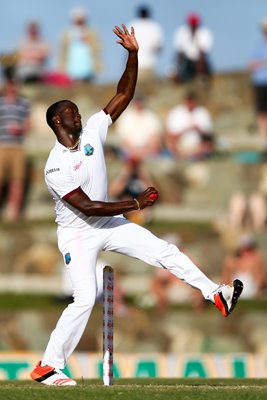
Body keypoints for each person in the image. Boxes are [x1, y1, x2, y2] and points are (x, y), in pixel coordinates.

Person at [30, 24, 243, 386]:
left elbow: (124, 94)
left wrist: (133, 53)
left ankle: (216, 294)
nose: (78, 114)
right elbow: (89, 207)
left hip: (108, 225)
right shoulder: (55, 166)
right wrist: (135, 202)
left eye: (78, 110)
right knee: (84, 299)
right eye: (70, 112)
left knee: (165, 250)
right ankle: (47, 366)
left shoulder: (94, 129)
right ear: (56, 121)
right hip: (78, 235)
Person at [0, 78, 31, 221]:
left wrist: (20, 129)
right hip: (2, 146)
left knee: (17, 182)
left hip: (18, 147)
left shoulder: (24, 104)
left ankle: (14, 215)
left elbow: (29, 124)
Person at [165, 91, 215, 159]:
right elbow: (170, 135)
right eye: (188, 101)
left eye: (192, 101)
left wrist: (198, 129)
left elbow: (209, 134)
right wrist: (186, 129)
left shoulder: (202, 112)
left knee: (206, 145)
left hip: (199, 146)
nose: (190, 103)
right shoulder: (176, 113)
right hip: (181, 147)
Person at [59, 7, 102, 82]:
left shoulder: (91, 31)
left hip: (88, 61)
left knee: (87, 80)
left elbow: (97, 46)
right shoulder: (67, 32)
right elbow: (63, 49)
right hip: (72, 62)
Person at [115, 94, 163, 160]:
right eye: (137, 101)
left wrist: (147, 150)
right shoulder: (125, 117)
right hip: (130, 152)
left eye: (140, 101)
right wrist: (135, 151)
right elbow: (124, 140)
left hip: (148, 151)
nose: (138, 103)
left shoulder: (151, 116)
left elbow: (154, 138)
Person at [172, 13, 213, 84]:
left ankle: (203, 82)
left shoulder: (204, 33)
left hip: (200, 61)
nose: (193, 27)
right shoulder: (182, 32)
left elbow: (204, 52)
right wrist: (177, 68)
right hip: (187, 61)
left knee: (204, 69)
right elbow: (179, 53)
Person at [221, 234, 266, 299]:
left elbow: (260, 280)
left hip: (250, 291)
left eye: (248, 250)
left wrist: (258, 292)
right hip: (235, 291)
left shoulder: (256, 260)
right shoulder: (232, 261)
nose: (246, 253)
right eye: (244, 249)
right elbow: (225, 279)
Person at [128, 5, 164, 80]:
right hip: (150, 63)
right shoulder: (154, 26)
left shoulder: (133, 25)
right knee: (150, 89)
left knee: (135, 88)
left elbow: (127, 45)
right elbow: (159, 47)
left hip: (135, 63)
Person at [248, 17, 267, 158]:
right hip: (260, 83)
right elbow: (251, 64)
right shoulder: (259, 46)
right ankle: (265, 142)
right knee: (262, 114)